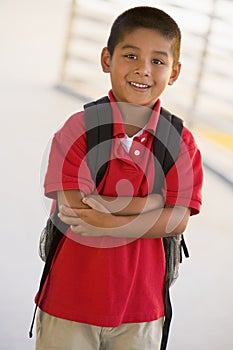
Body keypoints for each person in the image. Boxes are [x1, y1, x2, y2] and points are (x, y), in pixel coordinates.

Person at [35, 6, 203, 350]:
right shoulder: (78, 130)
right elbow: (74, 213)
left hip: (141, 310)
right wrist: (154, 203)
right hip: (68, 302)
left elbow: (178, 220)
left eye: (158, 61)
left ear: (174, 73)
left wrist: (106, 221)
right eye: (130, 55)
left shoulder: (179, 141)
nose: (143, 69)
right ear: (106, 59)